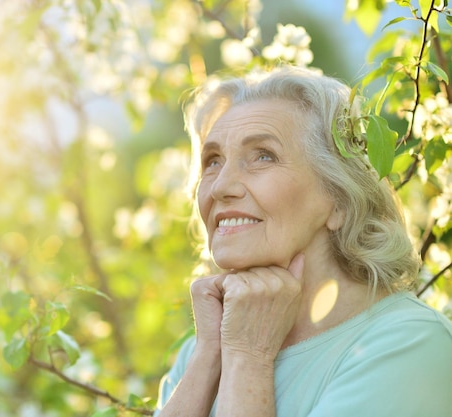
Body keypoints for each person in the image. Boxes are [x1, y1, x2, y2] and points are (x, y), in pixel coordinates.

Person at [153, 66, 452, 417]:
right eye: (213, 161)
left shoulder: (410, 345)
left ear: (339, 198)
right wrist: (209, 358)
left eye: (263, 155)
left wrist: (249, 358)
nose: (220, 186)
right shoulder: (201, 351)